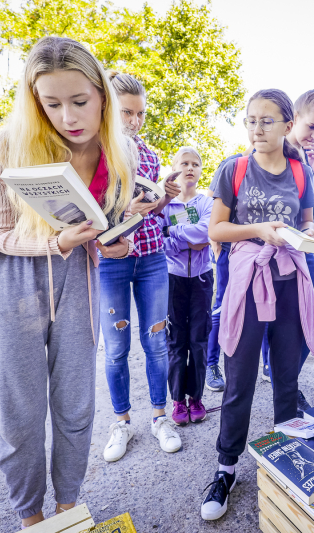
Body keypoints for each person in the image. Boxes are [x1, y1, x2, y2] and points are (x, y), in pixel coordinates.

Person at [0, 37, 135, 527]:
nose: (68, 116)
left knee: (76, 406)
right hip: (11, 283)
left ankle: (69, 508)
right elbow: (1, 234)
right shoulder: (11, 142)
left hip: (78, 278)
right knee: (21, 416)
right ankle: (32, 517)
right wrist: (56, 243)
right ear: (34, 101)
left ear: (103, 96)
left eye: (80, 101)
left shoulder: (119, 152)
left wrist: (114, 245)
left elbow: (110, 231)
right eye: (52, 103)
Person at [200, 89, 314, 521]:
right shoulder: (233, 169)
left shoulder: (301, 172)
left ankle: (287, 456)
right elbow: (216, 230)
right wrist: (260, 230)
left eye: (267, 120)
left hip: (289, 282)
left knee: (287, 376)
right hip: (248, 284)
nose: (257, 128)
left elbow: (309, 221)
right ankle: (225, 469)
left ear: (288, 125)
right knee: (239, 380)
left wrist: (303, 233)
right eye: (251, 120)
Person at [101, 71, 183, 462]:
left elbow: (153, 214)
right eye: (126, 113)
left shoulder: (149, 154)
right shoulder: (94, 153)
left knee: (155, 342)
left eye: (140, 114)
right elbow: (85, 216)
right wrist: (122, 209)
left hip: (151, 258)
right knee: (116, 348)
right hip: (111, 261)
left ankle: (159, 416)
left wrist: (163, 197)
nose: (134, 121)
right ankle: (121, 422)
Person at [259, 89, 314, 413]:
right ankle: (284, 389)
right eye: (312, 126)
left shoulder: (308, 161)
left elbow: (311, 210)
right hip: (267, 252)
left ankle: (285, 383)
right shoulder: (271, 148)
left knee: (310, 321)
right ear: (294, 120)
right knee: (273, 323)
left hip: (301, 251)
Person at [162, 146, 214, 426]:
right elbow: (161, 238)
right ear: (175, 168)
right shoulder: (165, 204)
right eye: (184, 163)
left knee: (199, 340)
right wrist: (186, 238)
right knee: (176, 340)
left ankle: (196, 397)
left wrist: (173, 232)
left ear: (200, 169)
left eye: (195, 163)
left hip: (202, 278)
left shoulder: (206, 203)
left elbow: (206, 233)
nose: (190, 168)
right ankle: (178, 401)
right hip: (173, 278)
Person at [204, 145, 253, 393]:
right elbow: (213, 203)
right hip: (229, 252)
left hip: (262, 256)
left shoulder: (285, 163)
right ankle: (212, 365)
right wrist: (216, 245)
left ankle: (267, 366)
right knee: (222, 306)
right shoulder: (232, 164)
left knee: (263, 308)